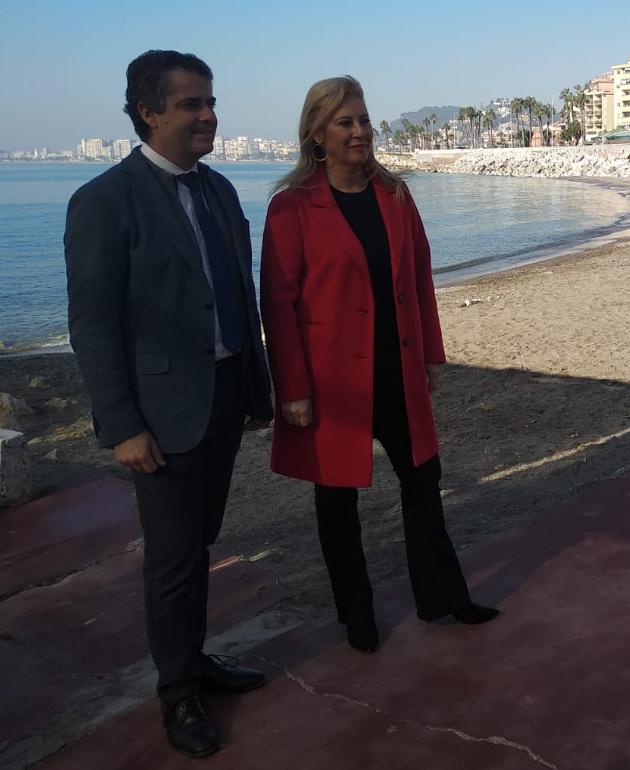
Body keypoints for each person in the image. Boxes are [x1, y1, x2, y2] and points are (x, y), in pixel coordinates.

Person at [64, 50, 274, 758]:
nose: (209, 115)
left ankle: (196, 660)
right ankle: (179, 693)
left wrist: (254, 388)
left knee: (200, 544)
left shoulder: (217, 192)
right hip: (160, 415)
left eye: (211, 102)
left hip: (220, 398)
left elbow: (236, 297)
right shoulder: (103, 201)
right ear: (149, 112)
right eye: (191, 104)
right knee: (174, 560)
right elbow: (93, 324)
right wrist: (121, 425)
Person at [260, 77, 498, 655]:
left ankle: (444, 597)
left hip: (397, 369)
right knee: (337, 500)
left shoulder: (395, 195)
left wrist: (432, 354)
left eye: (364, 120)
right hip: (331, 382)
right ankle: (357, 612)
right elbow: (278, 305)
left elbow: (419, 278)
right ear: (317, 134)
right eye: (345, 122)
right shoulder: (291, 208)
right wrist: (292, 388)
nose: (360, 131)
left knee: (423, 482)